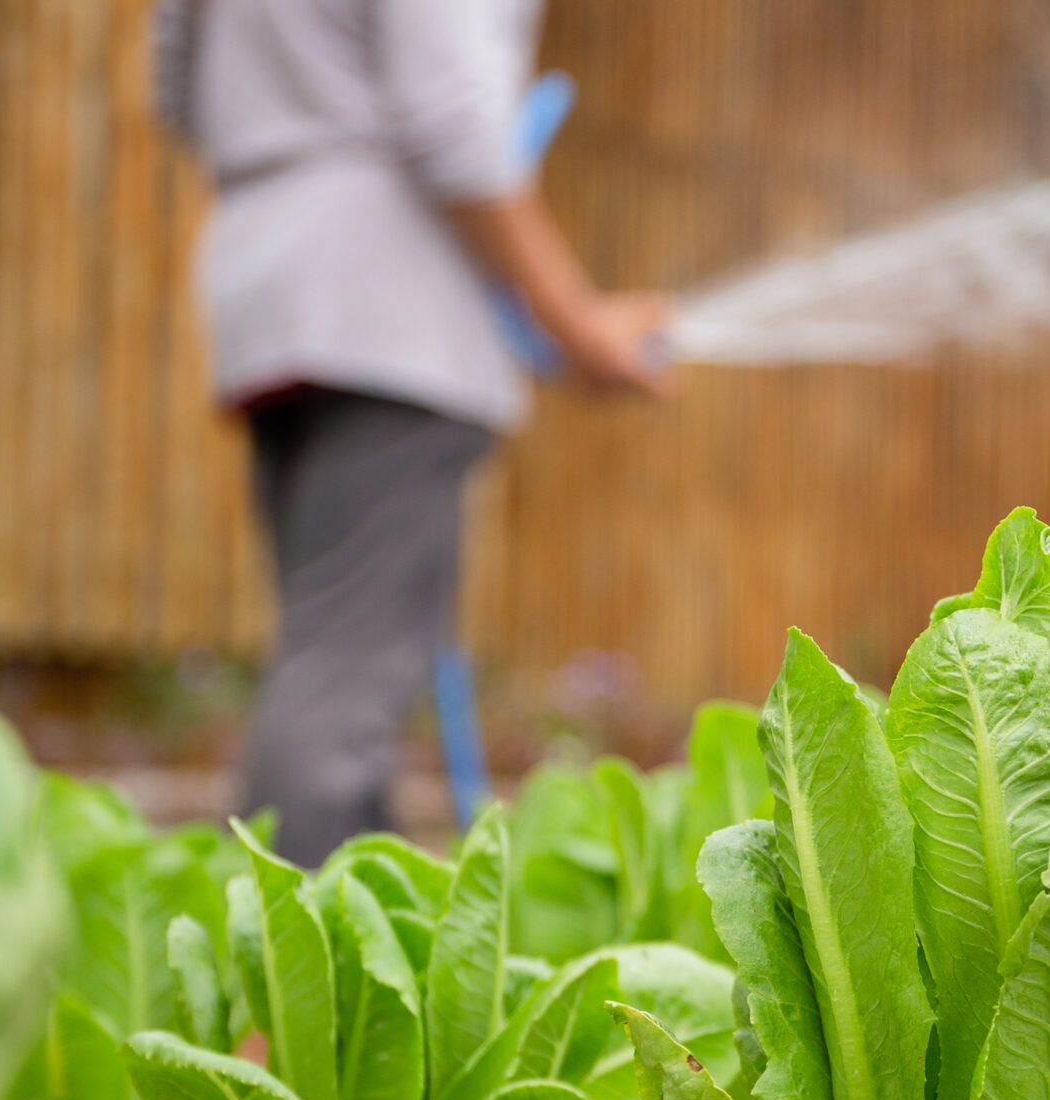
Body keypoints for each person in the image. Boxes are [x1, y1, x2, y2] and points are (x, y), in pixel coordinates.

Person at [154, 0, 669, 866]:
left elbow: (176, 84)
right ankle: (292, 981)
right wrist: (577, 323)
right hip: (388, 295)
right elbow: (456, 128)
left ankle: (314, 955)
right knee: (346, 681)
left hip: (264, 272)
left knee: (329, 653)